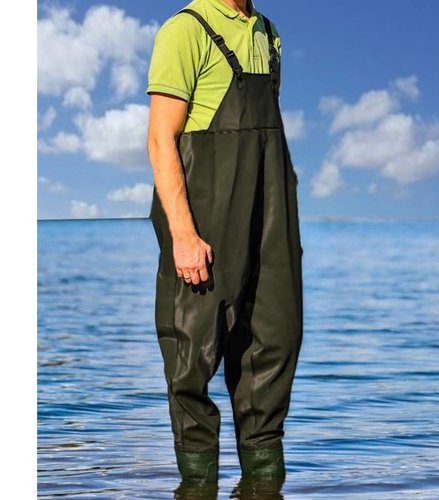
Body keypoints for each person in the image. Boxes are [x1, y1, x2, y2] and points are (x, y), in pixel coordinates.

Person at [146, 0, 303, 484]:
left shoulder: (269, 34)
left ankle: (264, 485)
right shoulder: (185, 30)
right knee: (192, 355)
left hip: (271, 217)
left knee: (275, 342)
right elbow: (160, 139)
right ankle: (196, 487)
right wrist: (183, 234)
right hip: (205, 220)